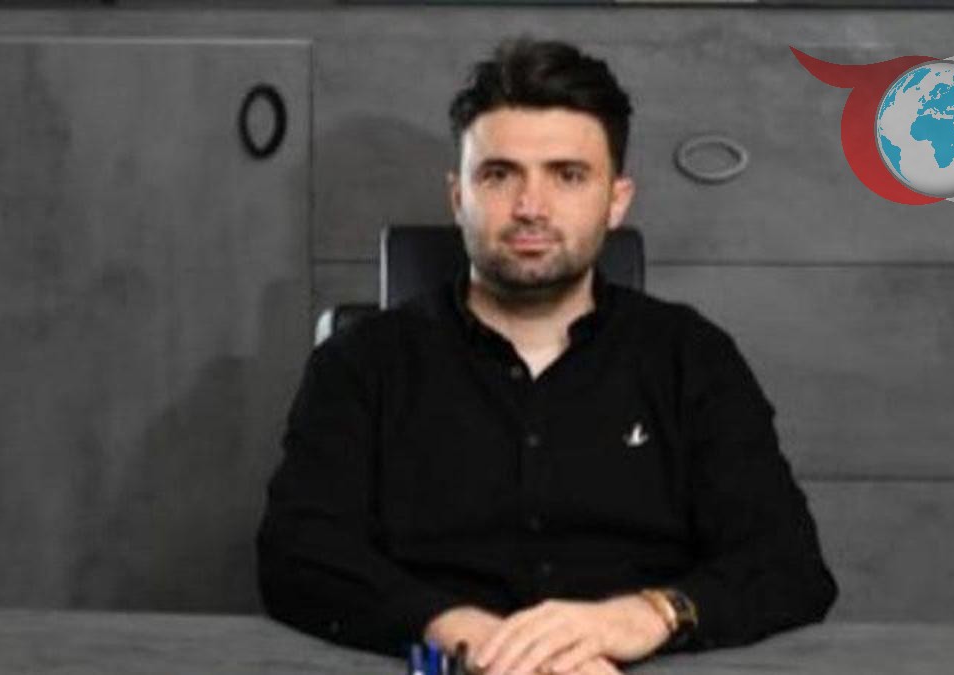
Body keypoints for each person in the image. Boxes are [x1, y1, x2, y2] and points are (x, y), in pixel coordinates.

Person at [257, 37, 837, 675]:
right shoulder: (361, 362)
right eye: (499, 175)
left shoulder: (692, 358)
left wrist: (643, 617)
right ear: (458, 197)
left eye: (568, 175)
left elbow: (788, 565)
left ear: (616, 200)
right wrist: (462, 631)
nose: (530, 207)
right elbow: (297, 555)